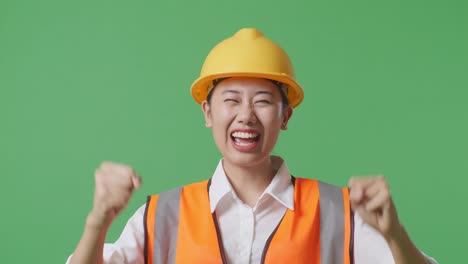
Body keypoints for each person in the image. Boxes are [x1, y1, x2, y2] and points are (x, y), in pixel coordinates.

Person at [67, 28, 438, 264]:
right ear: (207, 112)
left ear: (286, 115)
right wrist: (97, 222)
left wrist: (394, 234)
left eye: (262, 100)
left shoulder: (339, 214)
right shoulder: (160, 216)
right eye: (231, 100)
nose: (246, 115)